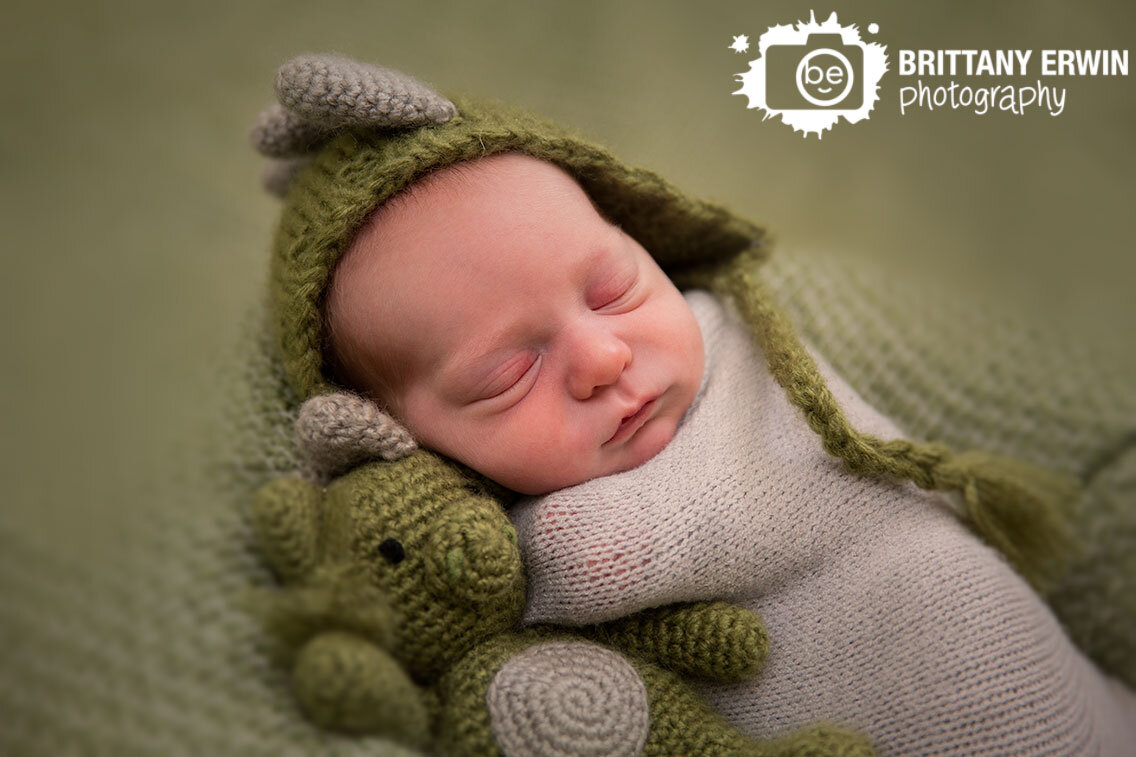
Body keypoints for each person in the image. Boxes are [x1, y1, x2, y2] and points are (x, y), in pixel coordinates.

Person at [253, 54, 1136, 755]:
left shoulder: (739, 337)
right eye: (508, 375)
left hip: (984, 646)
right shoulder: (460, 531)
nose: (605, 357)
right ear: (409, 439)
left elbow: (614, 551)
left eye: (614, 289)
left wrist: (542, 558)